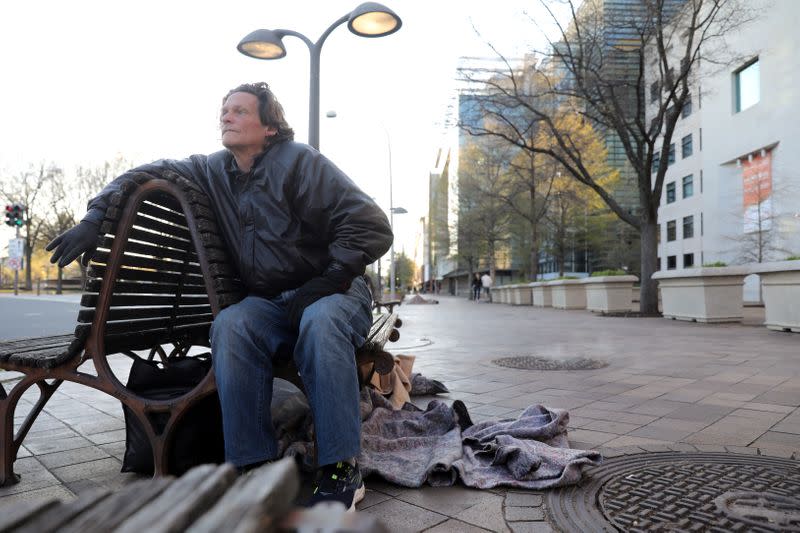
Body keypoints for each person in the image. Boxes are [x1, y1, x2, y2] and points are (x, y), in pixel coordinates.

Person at [46, 82, 393, 512]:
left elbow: (371, 224)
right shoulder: (211, 170)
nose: (226, 117)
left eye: (240, 111)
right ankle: (253, 467)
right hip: (271, 302)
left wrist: (325, 282)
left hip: (335, 289)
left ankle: (340, 467)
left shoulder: (301, 161)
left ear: (269, 127)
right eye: (224, 111)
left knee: (320, 323)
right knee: (232, 324)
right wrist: (96, 217)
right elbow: (142, 172)